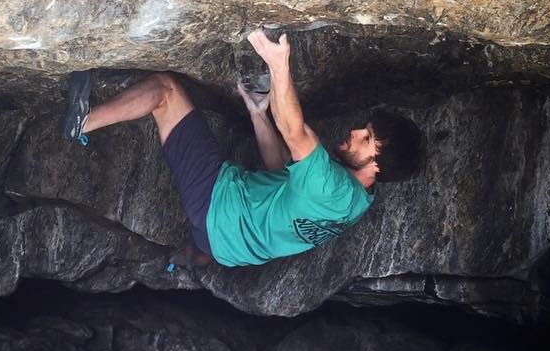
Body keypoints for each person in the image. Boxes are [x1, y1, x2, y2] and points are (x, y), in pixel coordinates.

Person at [60, 29, 419, 267]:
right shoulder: (358, 202)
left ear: (377, 166)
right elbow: (281, 171)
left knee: (166, 91)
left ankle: (83, 121)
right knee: (203, 245)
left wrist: (279, 65)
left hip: (219, 209)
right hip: (225, 251)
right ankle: (183, 259)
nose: (356, 132)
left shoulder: (333, 186)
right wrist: (258, 114)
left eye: (367, 139)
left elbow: (294, 130)